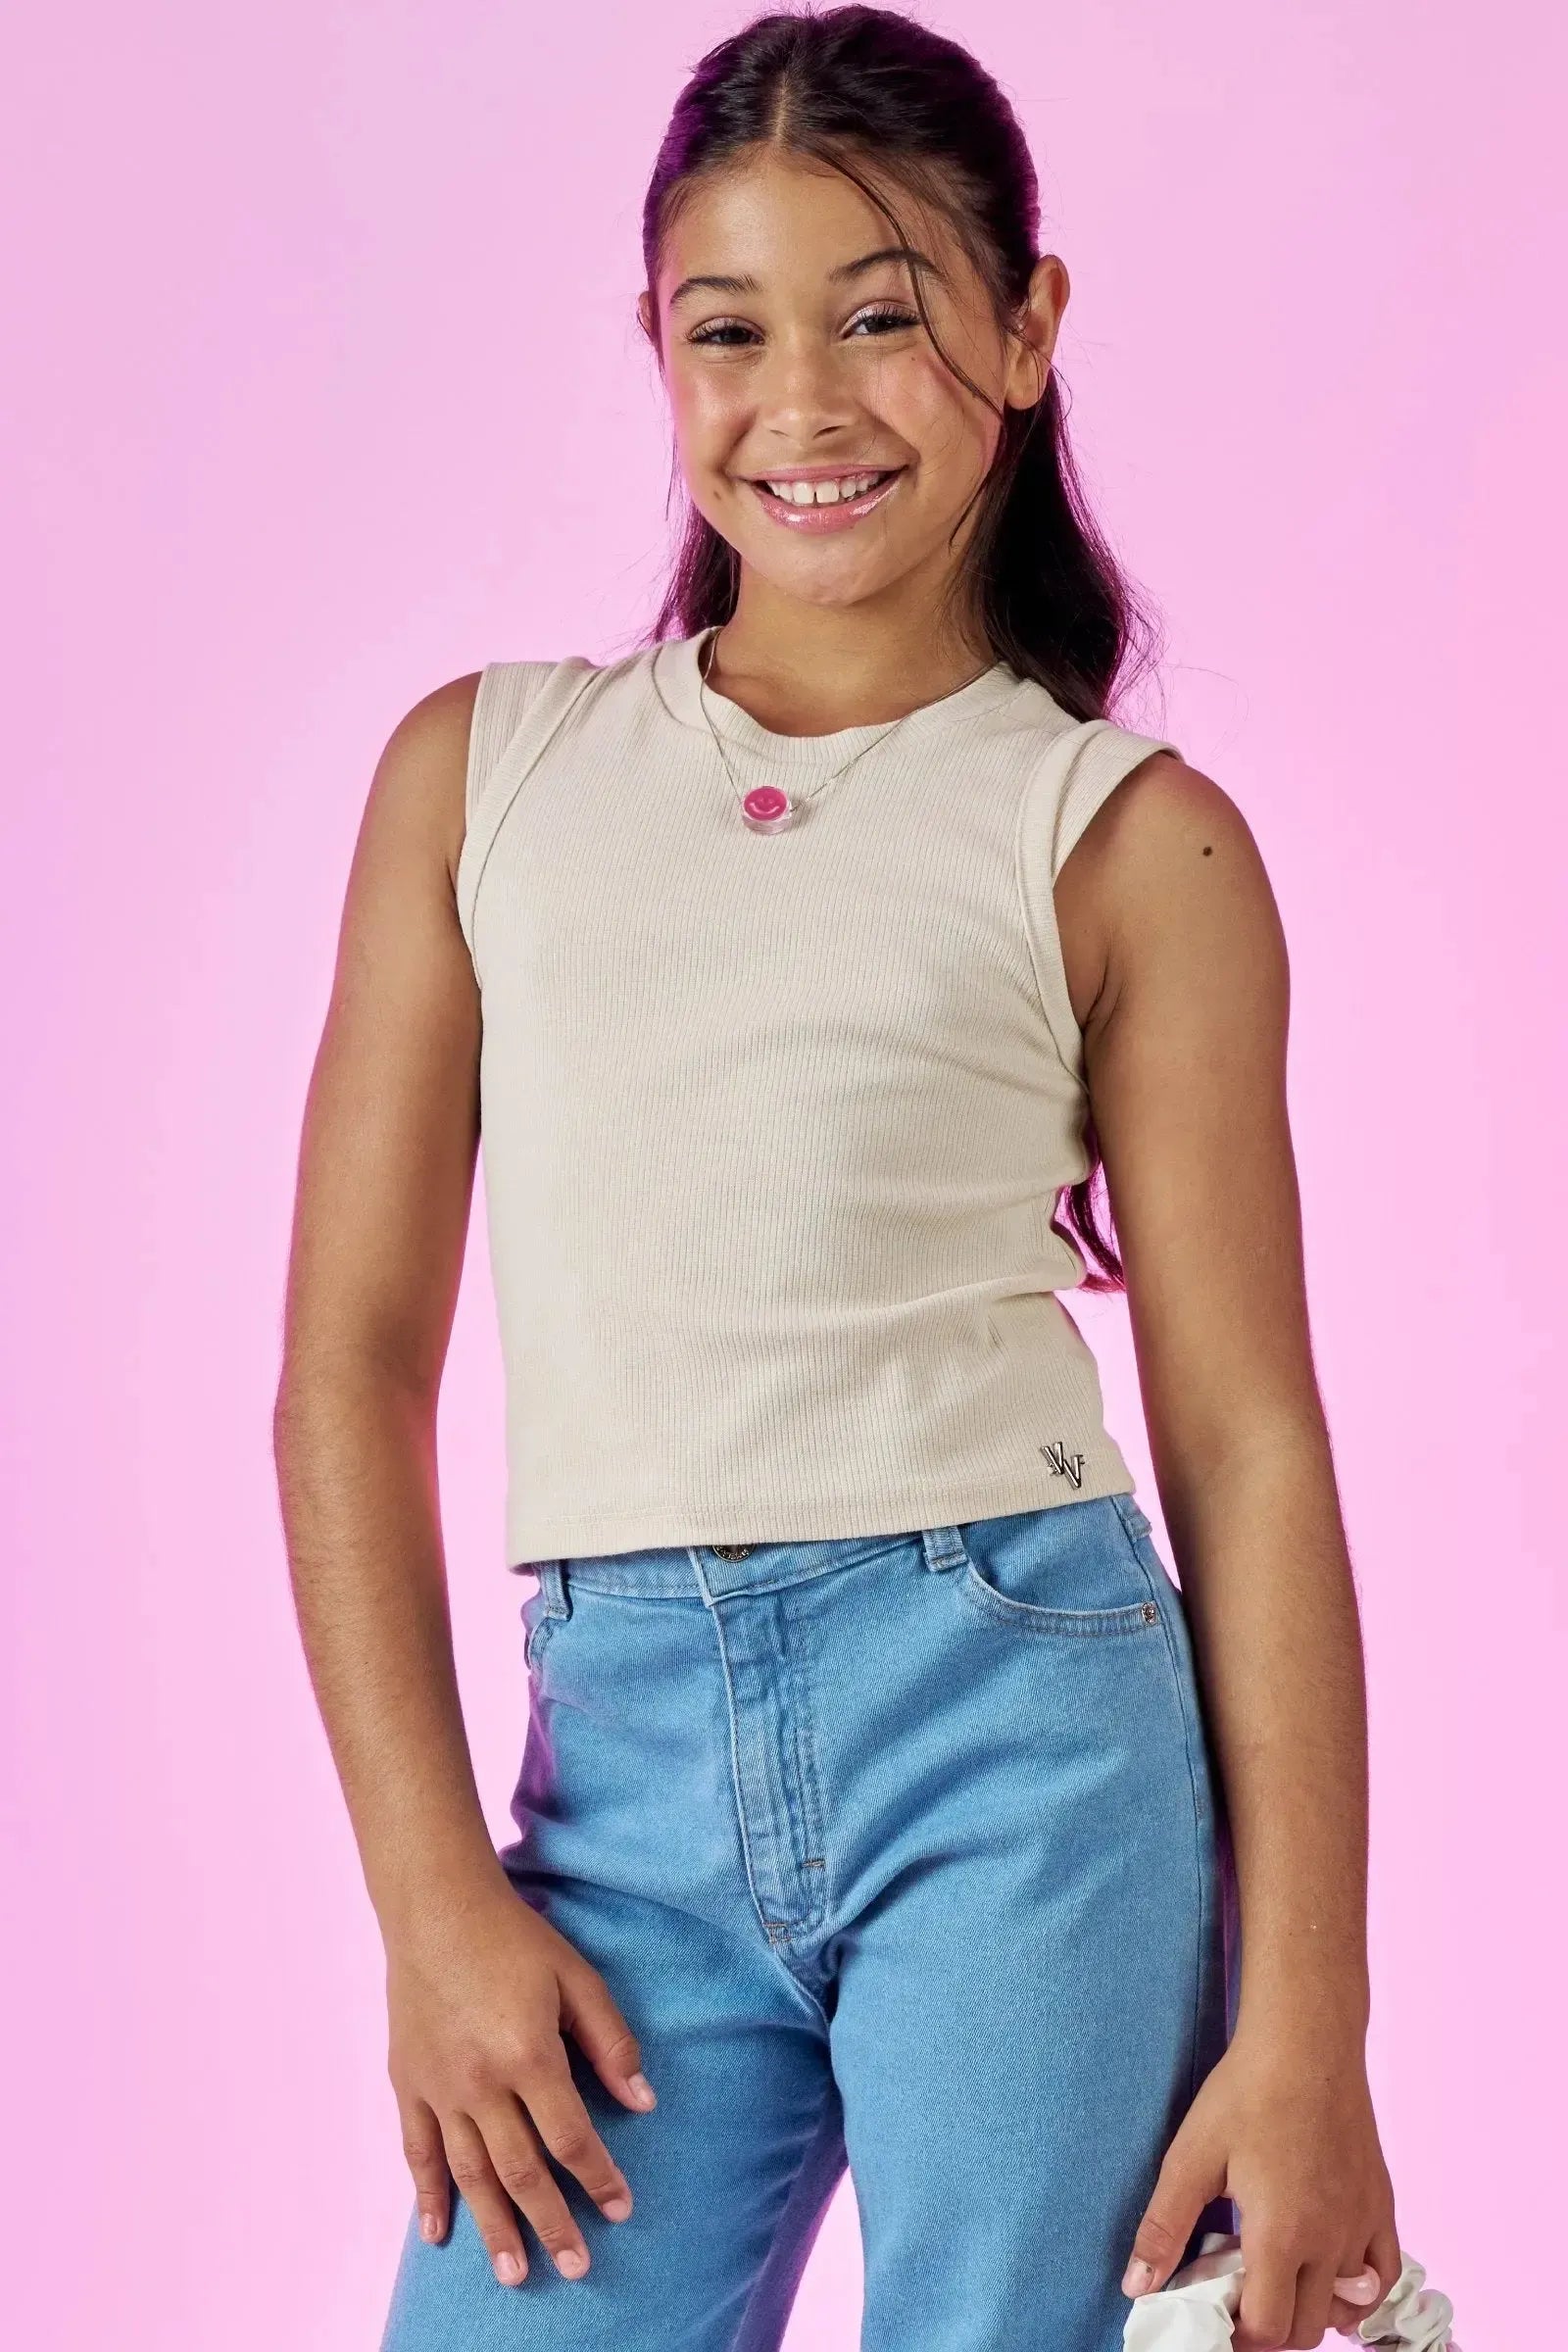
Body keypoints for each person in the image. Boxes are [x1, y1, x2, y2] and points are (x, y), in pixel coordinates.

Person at [273, 9, 1402, 2347]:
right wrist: (428, 1903)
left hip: (1017, 1743)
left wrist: (1306, 2031)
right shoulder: (482, 780)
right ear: (655, 350)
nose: (803, 400)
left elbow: (1244, 1440)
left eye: (880, 315)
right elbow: (345, 1374)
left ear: (1024, 326)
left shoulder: (1122, 840)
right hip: (614, 1799)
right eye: (730, 329)